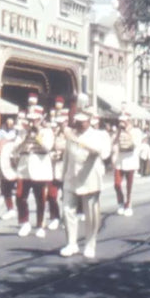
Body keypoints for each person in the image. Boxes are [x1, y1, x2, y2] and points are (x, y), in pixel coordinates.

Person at [60, 107, 110, 259]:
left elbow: (101, 152)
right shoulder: (71, 134)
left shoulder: (100, 135)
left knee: (91, 214)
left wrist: (76, 140)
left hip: (90, 177)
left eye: (84, 121)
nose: (80, 124)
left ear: (90, 121)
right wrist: (63, 176)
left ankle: (90, 244)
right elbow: (67, 157)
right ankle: (71, 243)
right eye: (78, 121)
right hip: (71, 177)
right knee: (67, 210)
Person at [13, 105, 54, 238]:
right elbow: (14, 149)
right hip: (24, 168)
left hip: (40, 167)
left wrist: (37, 136)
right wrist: (24, 138)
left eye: (35, 119)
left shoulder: (47, 132)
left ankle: (40, 224)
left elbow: (47, 147)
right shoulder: (22, 132)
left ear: (41, 119)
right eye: (30, 119)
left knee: (40, 198)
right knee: (19, 196)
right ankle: (24, 222)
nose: (32, 122)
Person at [111, 112, 143, 216]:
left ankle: (128, 204)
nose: (122, 123)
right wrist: (119, 132)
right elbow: (113, 143)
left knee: (129, 185)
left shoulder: (136, 131)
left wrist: (128, 132)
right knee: (117, 184)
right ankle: (120, 202)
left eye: (124, 121)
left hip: (130, 160)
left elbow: (137, 144)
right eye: (120, 121)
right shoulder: (117, 132)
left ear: (129, 121)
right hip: (120, 160)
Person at [47, 108, 69, 231]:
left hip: (66, 167)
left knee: (66, 196)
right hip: (55, 167)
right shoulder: (53, 134)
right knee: (51, 195)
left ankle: (66, 218)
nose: (60, 125)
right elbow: (49, 148)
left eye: (62, 122)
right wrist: (53, 155)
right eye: (59, 122)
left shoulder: (71, 134)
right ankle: (54, 217)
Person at [0, 116, 18, 219]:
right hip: (4, 162)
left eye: (11, 122)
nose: (9, 124)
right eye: (8, 122)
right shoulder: (1, 133)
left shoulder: (18, 133)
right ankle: (10, 208)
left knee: (21, 189)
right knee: (5, 187)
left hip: (16, 162)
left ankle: (21, 211)